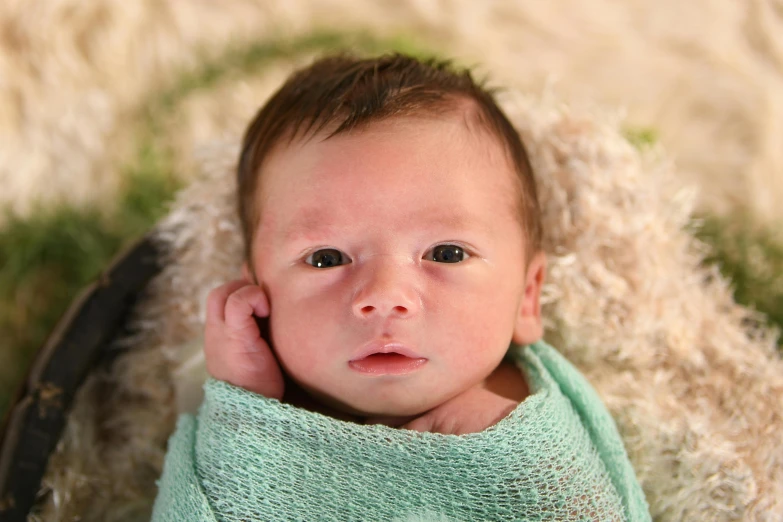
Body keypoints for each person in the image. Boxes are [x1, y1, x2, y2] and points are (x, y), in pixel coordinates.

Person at [152, 53, 650, 521]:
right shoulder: (257, 412)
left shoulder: (526, 423)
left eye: (447, 254)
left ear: (526, 297)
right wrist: (244, 408)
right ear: (258, 294)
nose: (385, 295)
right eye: (326, 259)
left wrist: (520, 463)